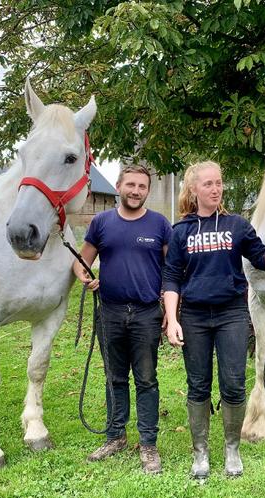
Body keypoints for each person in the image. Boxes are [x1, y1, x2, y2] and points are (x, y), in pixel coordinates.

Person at [162, 161, 265, 478]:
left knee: (233, 384)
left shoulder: (237, 225)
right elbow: (170, 278)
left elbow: (261, 261)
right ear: (194, 190)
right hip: (193, 316)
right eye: (208, 184)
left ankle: (232, 450)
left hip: (231, 314)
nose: (215, 188)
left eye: (219, 182)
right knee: (198, 385)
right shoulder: (181, 231)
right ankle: (200, 453)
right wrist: (171, 319)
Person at [72, 164, 171, 474]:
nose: (135, 191)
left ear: (147, 191)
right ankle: (115, 436)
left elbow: (172, 270)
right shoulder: (102, 222)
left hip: (146, 313)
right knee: (114, 377)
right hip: (110, 312)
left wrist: (171, 311)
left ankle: (148, 443)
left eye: (142, 186)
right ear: (118, 186)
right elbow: (81, 261)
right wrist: (85, 278)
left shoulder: (160, 225)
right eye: (130, 184)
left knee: (146, 379)